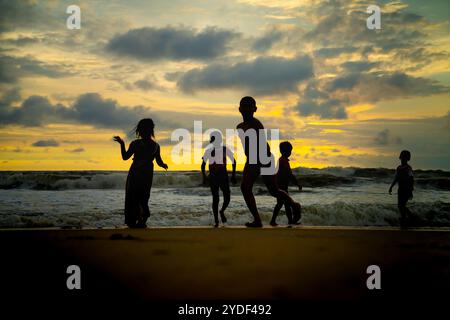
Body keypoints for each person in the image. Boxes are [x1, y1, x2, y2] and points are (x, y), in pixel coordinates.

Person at [236, 96, 301, 228]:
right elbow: (246, 146)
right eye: (244, 106)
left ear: (255, 109)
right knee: (247, 188)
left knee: (273, 190)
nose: (247, 109)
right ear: (240, 109)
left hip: (263, 158)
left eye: (250, 106)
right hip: (253, 159)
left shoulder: (256, 124)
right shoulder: (239, 127)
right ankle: (258, 219)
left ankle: (294, 206)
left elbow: (261, 145)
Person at [113, 118, 168, 228]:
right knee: (144, 196)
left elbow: (125, 157)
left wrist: (122, 143)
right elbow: (159, 162)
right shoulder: (156, 146)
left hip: (135, 172)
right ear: (151, 130)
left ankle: (134, 220)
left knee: (133, 196)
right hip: (147, 173)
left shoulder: (135, 144)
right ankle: (143, 219)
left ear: (140, 131)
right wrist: (164, 165)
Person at [201, 131, 237, 227]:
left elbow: (234, 161)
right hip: (213, 176)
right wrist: (204, 177)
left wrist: (233, 175)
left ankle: (222, 211)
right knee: (215, 198)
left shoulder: (225, 149)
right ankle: (216, 220)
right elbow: (203, 165)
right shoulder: (208, 151)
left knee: (227, 196)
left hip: (223, 175)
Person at [270, 141, 302, 226]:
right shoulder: (283, 161)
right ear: (284, 151)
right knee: (282, 204)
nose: (290, 153)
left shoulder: (282, 160)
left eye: (290, 151)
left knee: (284, 204)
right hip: (281, 187)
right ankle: (274, 220)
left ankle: (288, 220)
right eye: (289, 151)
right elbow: (289, 174)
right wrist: (297, 183)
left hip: (281, 186)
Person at [389, 150, 414, 229]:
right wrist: (391, 187)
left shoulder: (408, 168)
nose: (403, 159)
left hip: (406, 189)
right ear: (400, 157)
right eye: (402, 157)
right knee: (400, 206)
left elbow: (411, 179)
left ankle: (407, 218)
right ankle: (407, 218)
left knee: (402, 205)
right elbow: (396, 178)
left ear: (408, 159)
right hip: (400, 189)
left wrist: (411, 191)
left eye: (405, 158)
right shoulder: (398, 168)